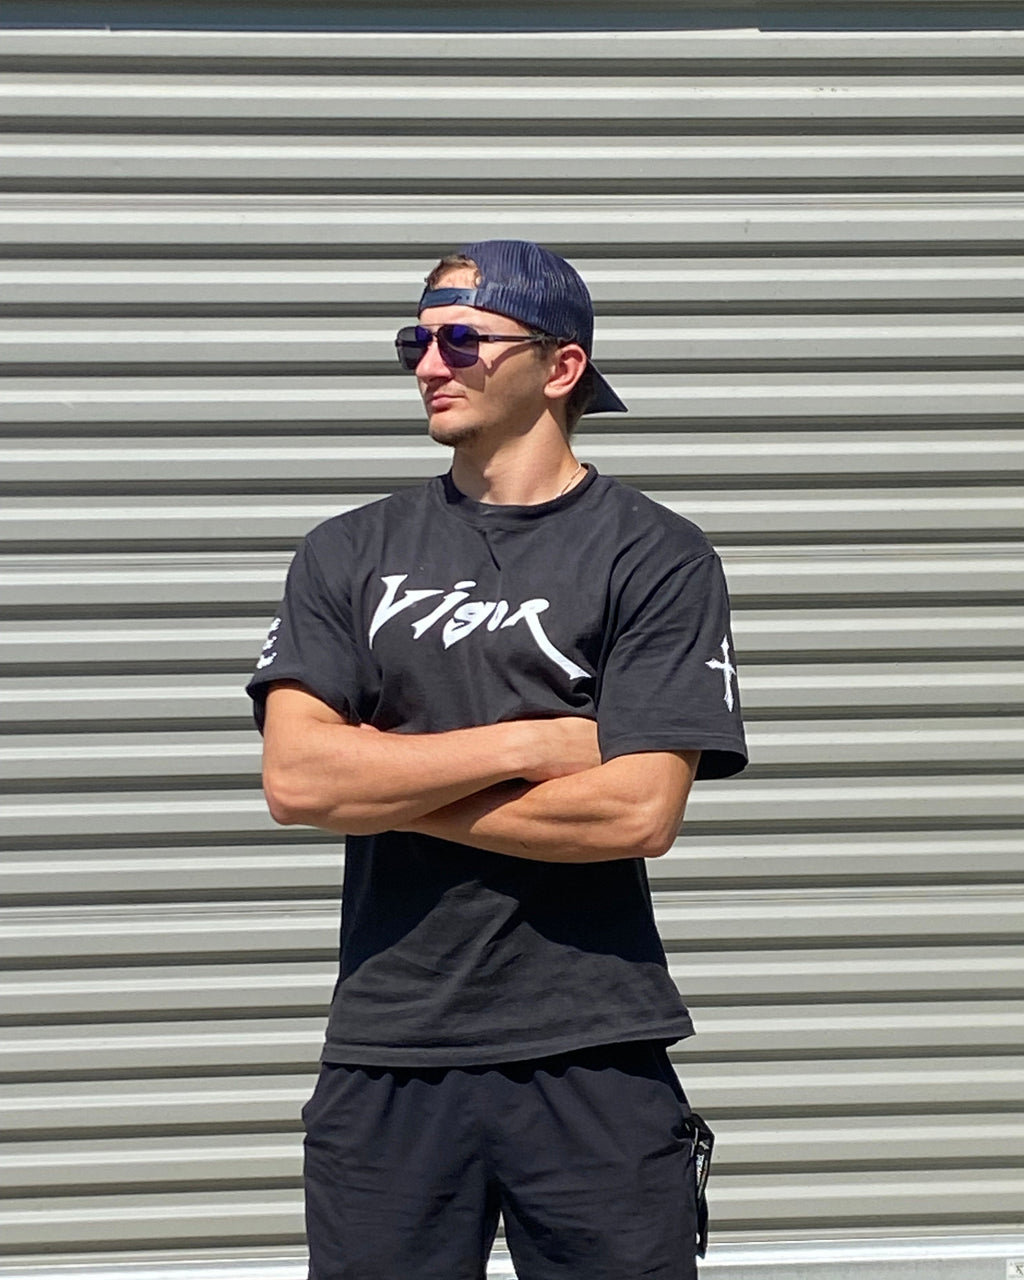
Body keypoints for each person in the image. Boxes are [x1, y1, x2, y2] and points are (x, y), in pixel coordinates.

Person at [247, 239, 747, 1280]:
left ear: (559, 367)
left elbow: (633, 814)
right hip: (390, 1048)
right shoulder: (346, 551)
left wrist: (380, 780)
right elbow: (298, 779)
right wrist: (531, 743)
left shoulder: (654, 555)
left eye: (461, 339)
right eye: (415, 342)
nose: (430, 364)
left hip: (594, 1049)